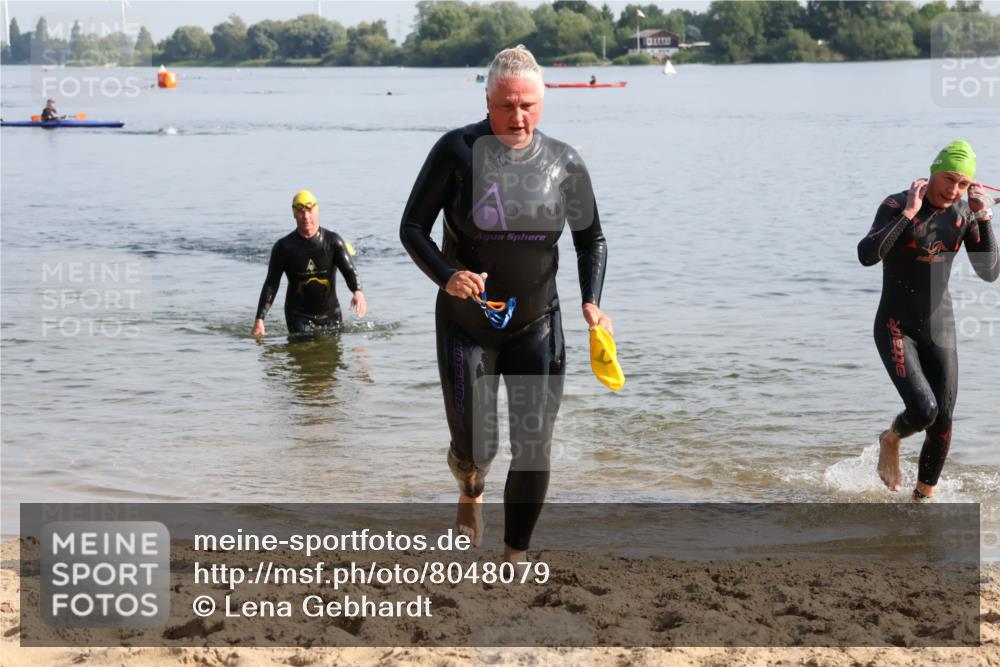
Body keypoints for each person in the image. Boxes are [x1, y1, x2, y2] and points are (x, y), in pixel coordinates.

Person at [400, 45, 611, 562]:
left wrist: (591, 301)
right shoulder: (457, 152)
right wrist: (447, 276)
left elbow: (592, 241)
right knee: (477, 450)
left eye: (529, 106)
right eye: (507, 105)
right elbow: (411, 229)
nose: (518, 117)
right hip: (466, 325)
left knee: (534, 447)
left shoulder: (565, 162)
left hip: (537, 324)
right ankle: (470, 491)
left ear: (542, 101)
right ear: (488, 98)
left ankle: (515, 554)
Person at [858, 140, 997, 501]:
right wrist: (908, 213)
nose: (953, 190)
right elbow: (867, 256)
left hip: (940, 327)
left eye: (963, 184)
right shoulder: (896, 204)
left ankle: (923, 501)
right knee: (923, 410)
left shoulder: (964, 214)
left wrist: (983, 217)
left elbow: (989, 272)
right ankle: (891, 438)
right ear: (933, 173)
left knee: (944, 421)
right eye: (949, 179)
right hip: (895, 327)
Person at [252, 189, 367, 338]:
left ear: (317, 210)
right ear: (294, 214)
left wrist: (357, 292)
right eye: (300, 211)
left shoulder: (333, 242)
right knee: (305, 351)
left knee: (332, 358)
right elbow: (271, 284)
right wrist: (260, 319)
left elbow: (350, 270)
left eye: (309, 210)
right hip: (298, 315)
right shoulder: (283, 247)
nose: (306, 216)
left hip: (331, 315)